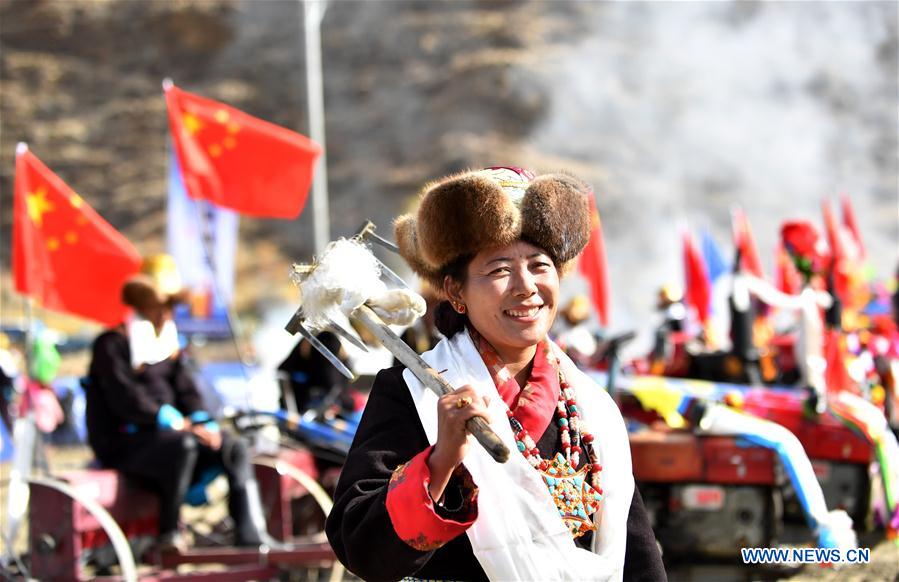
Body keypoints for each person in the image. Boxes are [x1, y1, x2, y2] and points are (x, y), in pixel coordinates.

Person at [326, 168, 666, 581]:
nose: (525, 286)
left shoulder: (593, 407)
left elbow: (638, 561)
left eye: (540, 265)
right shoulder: (413, 393)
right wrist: (440, 462)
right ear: (455, 292)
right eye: (500, 269)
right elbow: (362, 550)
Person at [85, 254, 277, 551]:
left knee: (233, 446)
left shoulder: (171, 346)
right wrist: (179, 424)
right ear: (142, 305)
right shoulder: (111, 344)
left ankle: (250, 534)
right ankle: (169, 532)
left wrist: (202, 422)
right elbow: (126, 400)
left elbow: (188, 391)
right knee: (183, 446)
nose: (166, 314)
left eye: (170, 307)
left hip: (172, 435)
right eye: (160, 307)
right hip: (127, 442)